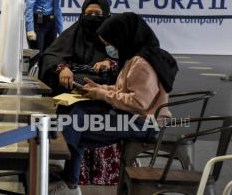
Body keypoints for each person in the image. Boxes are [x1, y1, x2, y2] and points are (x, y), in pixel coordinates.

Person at [49, 12, 178, 194]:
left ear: (122, 37)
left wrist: (101, 95)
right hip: (135, 117)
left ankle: (64, 173)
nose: (110, 48)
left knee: (76, 125)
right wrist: (100, 89)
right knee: (77, 113)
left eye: (110, 44)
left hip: (144, 123)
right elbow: (124, 91)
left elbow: (138, 102)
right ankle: (68, 179)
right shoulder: (135, 57)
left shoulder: (141, 63)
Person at [40, 0, 126, 186]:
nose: (93, 18)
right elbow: (50, 55)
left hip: (106, 95)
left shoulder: (115, 38)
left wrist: (110, 63)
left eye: (98, 14)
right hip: (74, 91)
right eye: (88, 14)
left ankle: (66, 174)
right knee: (68, 110)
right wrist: (61, 67)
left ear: (107, 16)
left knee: (76, 115)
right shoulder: (73, 33)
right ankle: (64, 172)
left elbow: (128, 63)